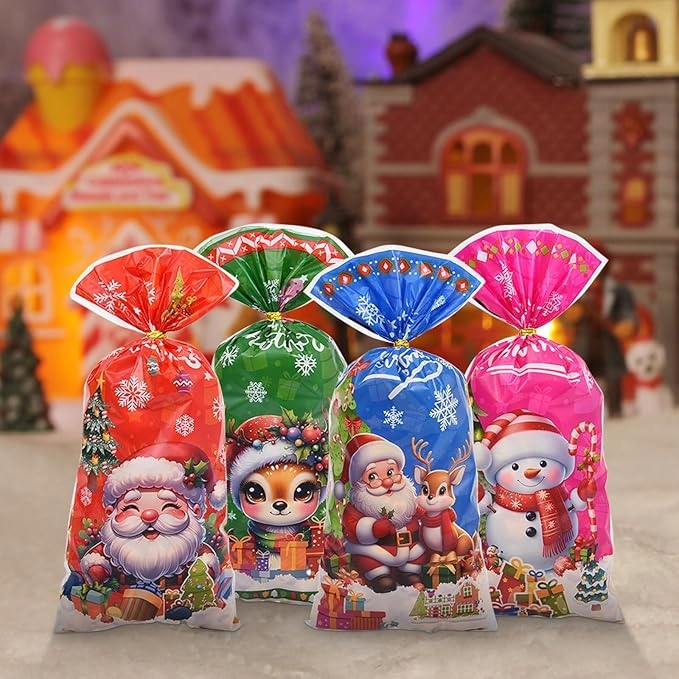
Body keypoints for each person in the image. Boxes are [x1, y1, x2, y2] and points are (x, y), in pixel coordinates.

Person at [333, 433, 427, 592]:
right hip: (377, 553)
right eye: (373, 476)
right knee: (371, 563)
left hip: (411, 549)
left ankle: (409, 574)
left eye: (390, 472)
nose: (387, 482)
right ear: (360, 483)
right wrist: (372, 529)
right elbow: (350, 527)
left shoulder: (406, 498)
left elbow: (416, 511)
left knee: (417, 557)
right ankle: (380, 577)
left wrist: (425, 514)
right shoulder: (359, 505)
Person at [568, 244, 637, 417]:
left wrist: (627, 323)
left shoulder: (618, 290)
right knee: (581, 384)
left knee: (613, 380)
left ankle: (616, 414)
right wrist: (572, 314)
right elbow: (565, 317)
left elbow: (627, 312)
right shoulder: (575, 289)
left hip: (608, 342)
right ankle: (582, 418)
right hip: (584, 343)